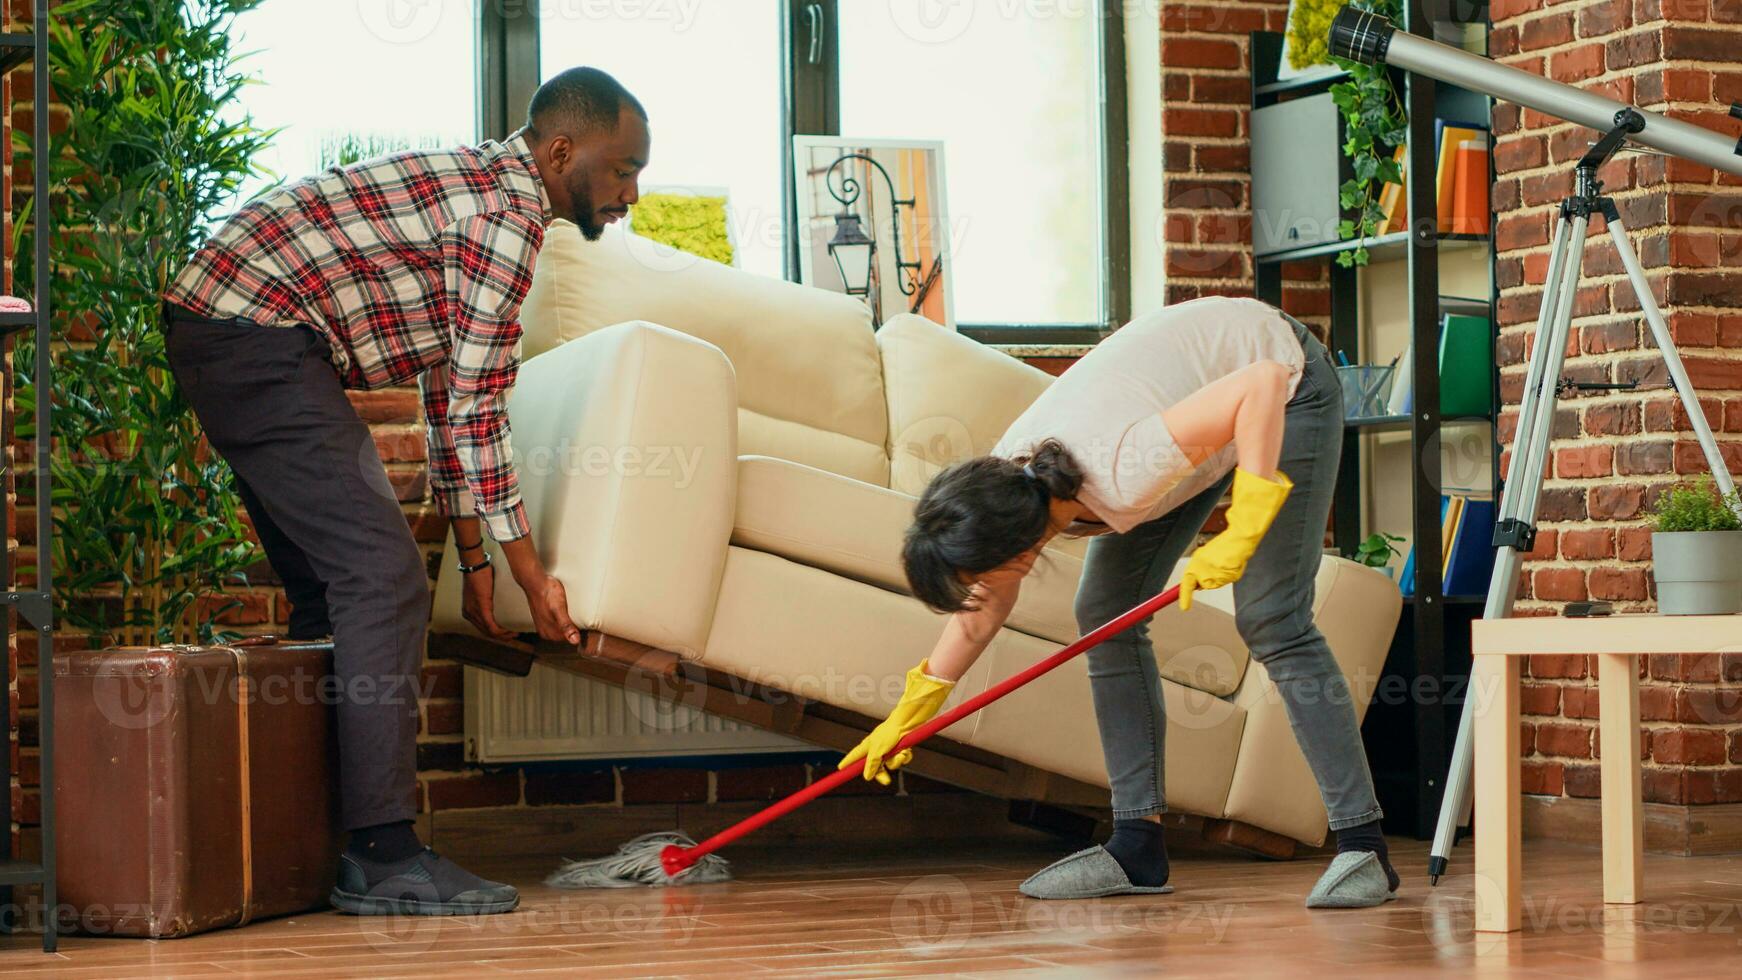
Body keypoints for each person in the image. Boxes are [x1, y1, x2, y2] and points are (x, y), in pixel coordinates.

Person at [160, 67, 650, 916]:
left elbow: (444, 391)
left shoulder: (483, 190)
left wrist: (476, 556)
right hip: (255, 334)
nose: (632, 193)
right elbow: (478, 408)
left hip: (228, 327)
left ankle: (325, 846)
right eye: (622, 169)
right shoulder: (506, 217)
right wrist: (532, 574)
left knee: (331, 591)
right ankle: (383, 854)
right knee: (383, 579)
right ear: (562, 151)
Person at [840, 295, 1399, 908]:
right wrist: (911, 710)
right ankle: (1137, 845)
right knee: (1103, 615)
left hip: (1285, 380)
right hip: (1200, 402)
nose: (981, 589)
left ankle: (1363, 845)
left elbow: (1261, 383)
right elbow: (981, 616)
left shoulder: (1120, 470)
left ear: (1019, 551)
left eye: (979, 576)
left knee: (1271, 615)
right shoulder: (1006, 490)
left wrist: (1247, 521)